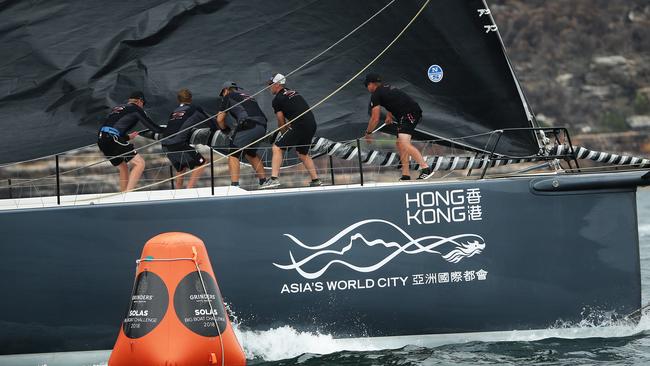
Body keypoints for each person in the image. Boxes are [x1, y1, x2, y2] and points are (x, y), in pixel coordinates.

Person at [363, 73, 432, 180]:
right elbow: (394, 101)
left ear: (371, 84)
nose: (367, 88)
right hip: (410, 112)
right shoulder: (387, 88)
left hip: (408, 114)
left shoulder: (375, 95)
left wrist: (368, 133)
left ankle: (426, 168)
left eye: (366, 85)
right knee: (400, 144)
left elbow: (375, 118)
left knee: (404, 143)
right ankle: (406, 175)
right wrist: (389, 116)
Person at [260, 74, 322, 189]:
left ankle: (273, 179)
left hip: (300, 125)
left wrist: (284, 136)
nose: (269, 87)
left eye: (270, 84)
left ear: (277, 84)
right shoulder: (293, 92)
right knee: (302, 153)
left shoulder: (277, 99)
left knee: (277, 147)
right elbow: (296, 110)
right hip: (311, 124)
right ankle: (316, 180)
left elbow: (281, 121)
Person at [97, 91, 164, 191]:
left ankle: (123, 195)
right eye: (143, 104)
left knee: (123, 167)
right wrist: (170, 130)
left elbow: (113, 125)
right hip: (112, 137)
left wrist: (128, 137)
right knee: (140, 163)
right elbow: (154, 128)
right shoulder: (136, 109)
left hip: (102, 138)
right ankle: (128, 194)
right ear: (140, 101)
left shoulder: (118, 108)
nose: (142, 107)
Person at [214, 81, 268, 187]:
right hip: (262, 126)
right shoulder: (248, 96)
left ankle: (235, 185)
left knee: (233, 154)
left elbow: (220, 119)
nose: (223, 96)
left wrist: (225, 130)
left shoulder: (228, 96)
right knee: (250, 153)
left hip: (249, 124)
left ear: (225, 90)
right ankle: (264, 182)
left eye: (222, 94)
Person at [161, 89, 208, 189]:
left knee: (181, 168)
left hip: (164, 144)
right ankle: (189, 190)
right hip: (177, 144)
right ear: (191, 99)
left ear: (178, 100)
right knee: (202, 163)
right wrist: (219, 129)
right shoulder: (194, 108)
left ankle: (178, 193)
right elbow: (208, 121)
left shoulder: (174, 111)